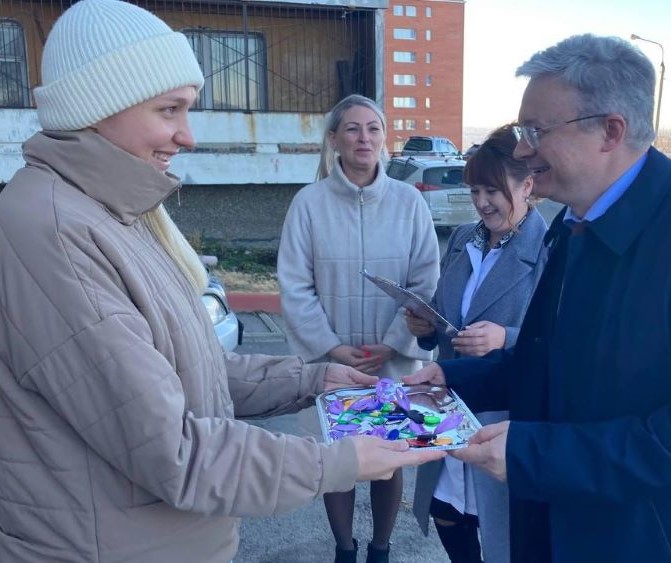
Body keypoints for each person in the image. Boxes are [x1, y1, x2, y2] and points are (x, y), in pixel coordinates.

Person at [0, 2, 444, 562]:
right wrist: (339, 461)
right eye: (170, 109)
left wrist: (313, 378)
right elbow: (171, 449)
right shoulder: (56, 231)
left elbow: (187, 372)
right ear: (99, 105)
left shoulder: (114, 213)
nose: (187, 135)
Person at [404, 33, 671, 563]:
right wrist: (453, 378)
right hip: (557, 525)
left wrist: (535, 454)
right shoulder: (572, 223)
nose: (521, 150)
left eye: (536, 131)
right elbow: (553, 358)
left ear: (611, 131)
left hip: (656, 541)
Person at [277, 94, 440, 563]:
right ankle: (344, 549)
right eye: (352, 128)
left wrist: (392, 344)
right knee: (339, 461)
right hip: (335, 366)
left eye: (373, 128)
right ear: (334, 139)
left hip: (393, 362)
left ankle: (381, 549)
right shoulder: (308, 204)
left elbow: (424, 281)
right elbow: (295, 285)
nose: (364, 137)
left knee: (390, 461)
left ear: (384, 137)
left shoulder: (409, 203)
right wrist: (332, 348)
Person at [407, 125, 547, 563]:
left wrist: (505, 338)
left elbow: (563, 340)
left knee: (501, 527)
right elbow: (443, 310)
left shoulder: (550, 249)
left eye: (493, 190)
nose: (482, 202)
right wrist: (423, 325)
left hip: (503, 415)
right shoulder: (465, 238)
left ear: (527, 185)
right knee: (447, 510)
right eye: (475, 190)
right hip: (447, 399)